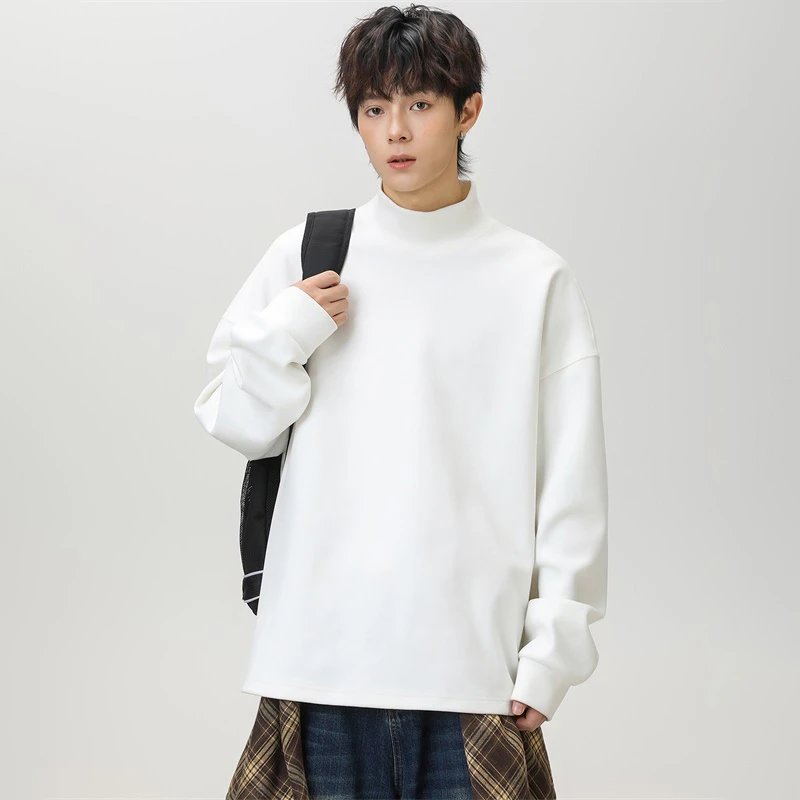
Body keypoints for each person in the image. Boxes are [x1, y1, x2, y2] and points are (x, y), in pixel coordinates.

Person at [193, 4, 608, 798]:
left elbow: (571, 482)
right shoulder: (310, 254)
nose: (396, 131)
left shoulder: (532, 279)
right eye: (374, 108)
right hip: (317, 668)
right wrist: (288, 330)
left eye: (419, 104)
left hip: (472, 675)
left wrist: (553, 651)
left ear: (468, 111)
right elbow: (235, 422)